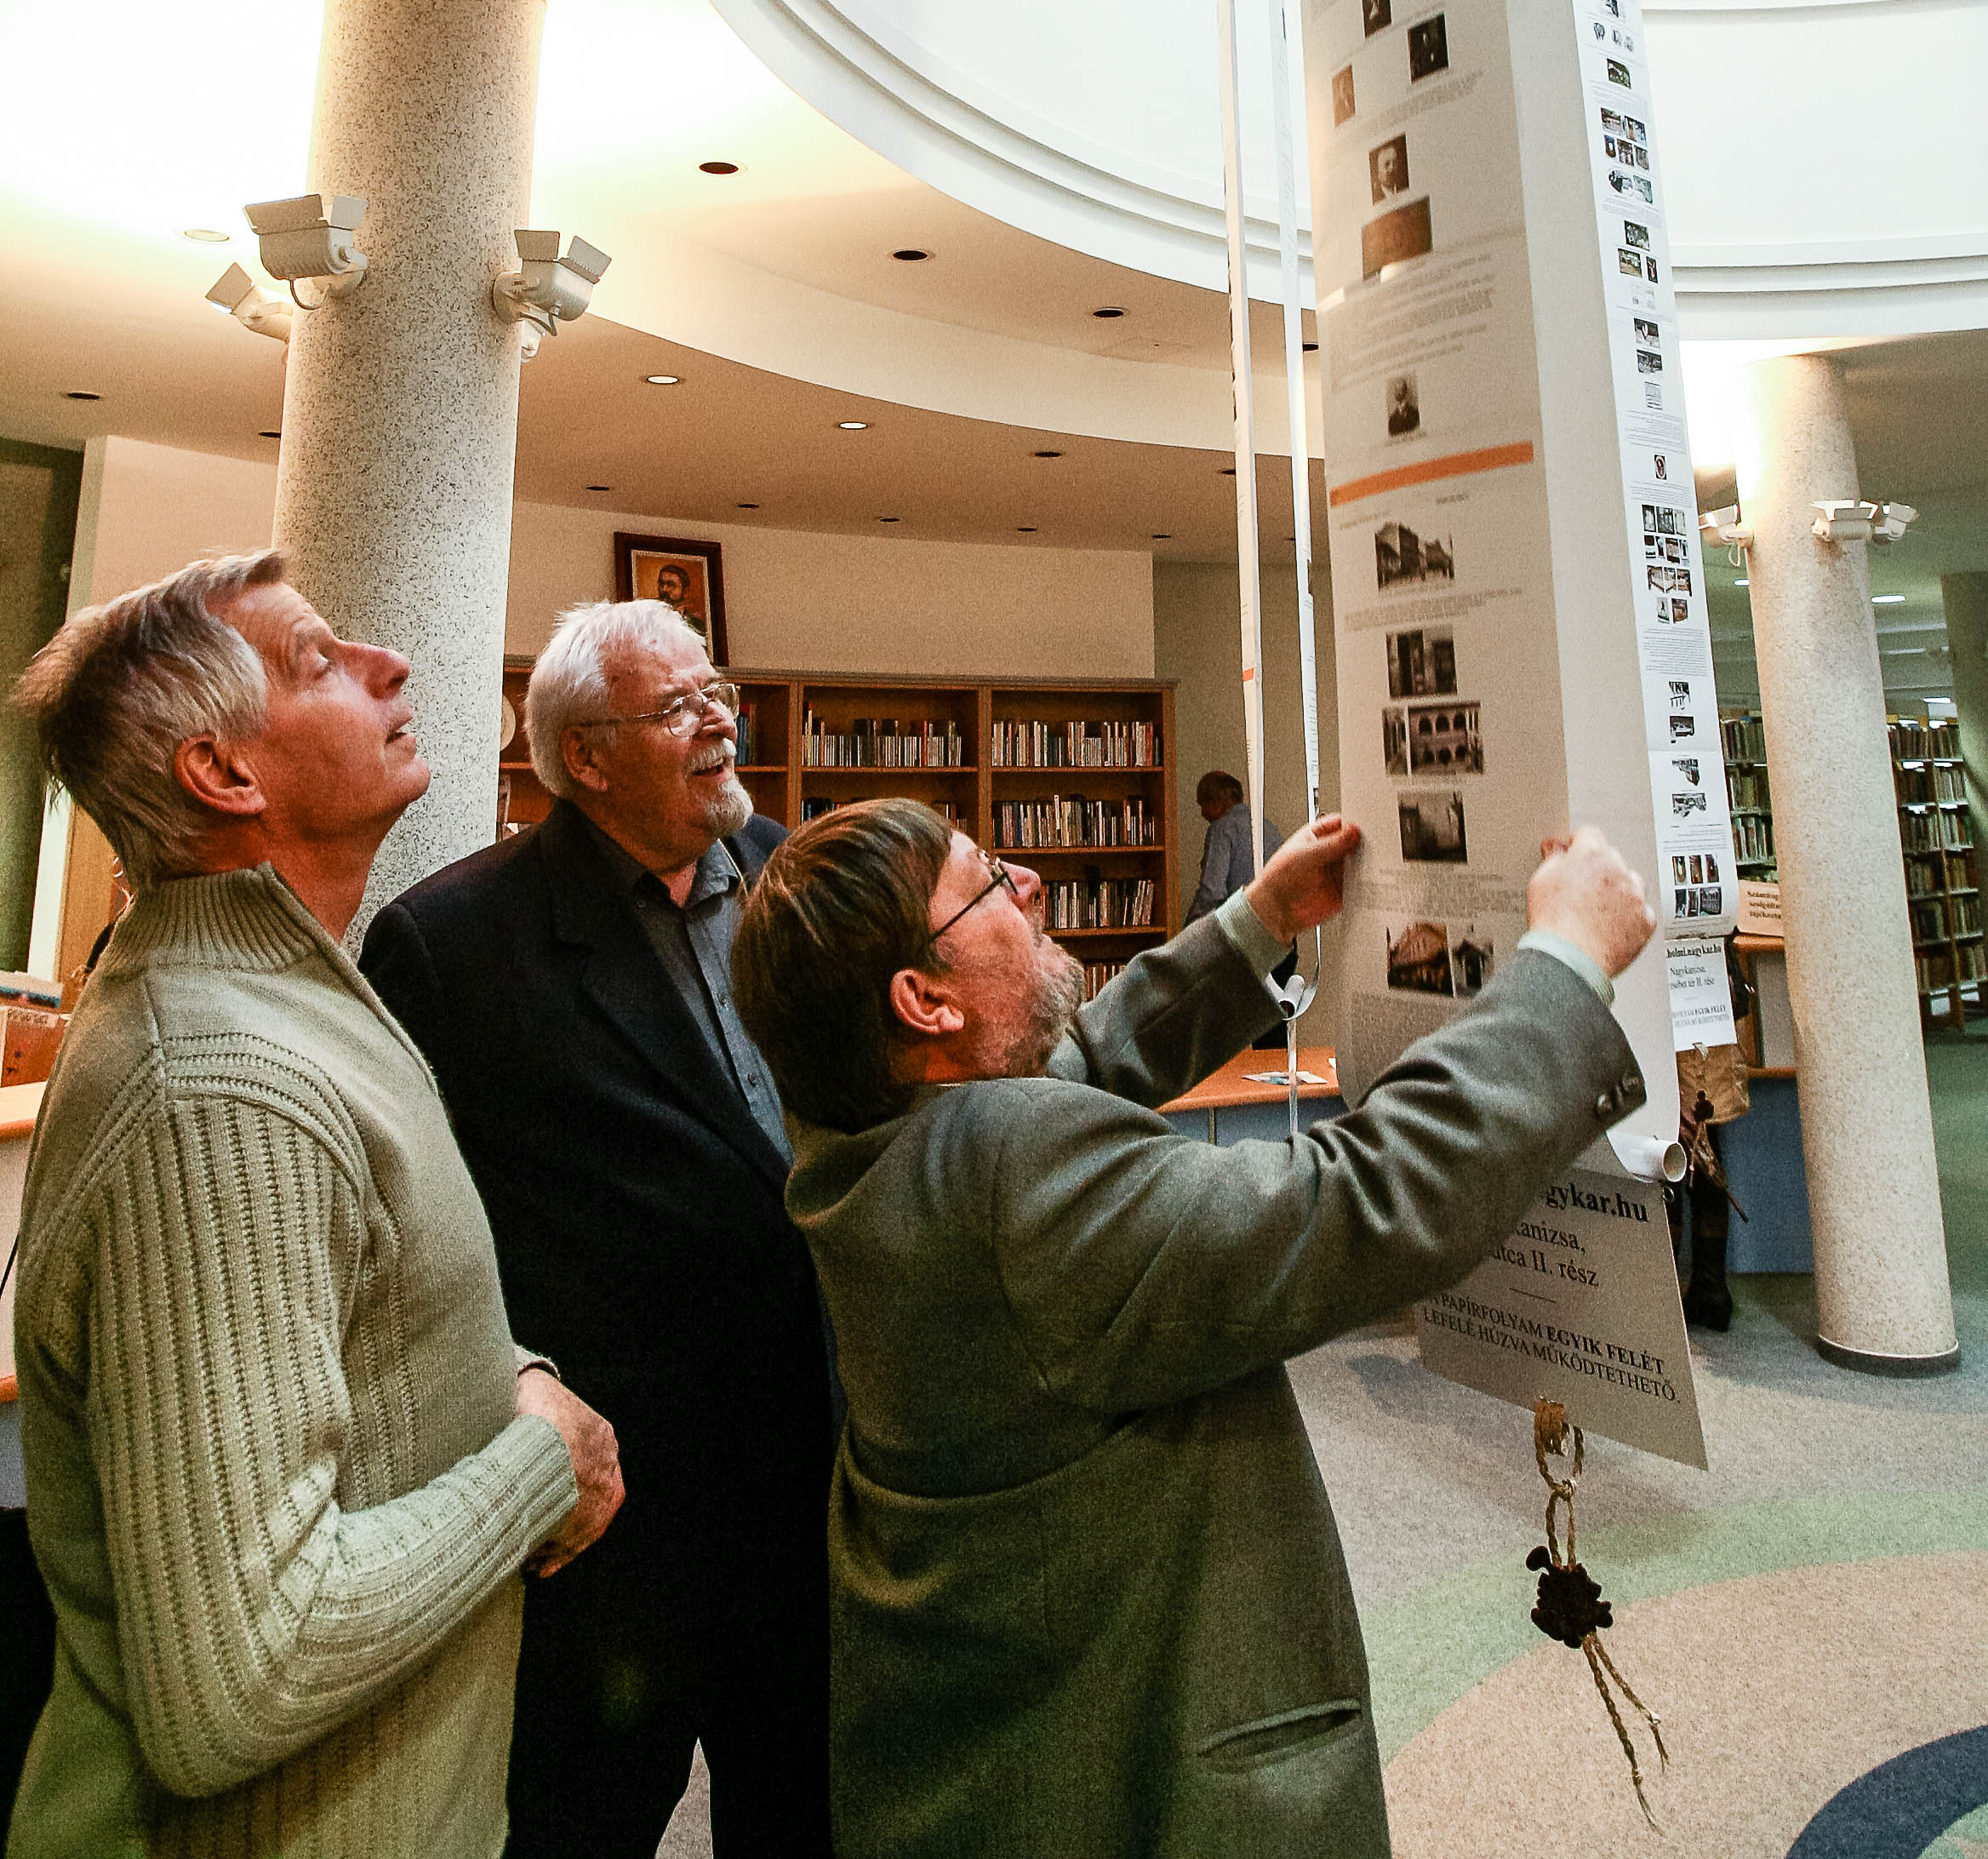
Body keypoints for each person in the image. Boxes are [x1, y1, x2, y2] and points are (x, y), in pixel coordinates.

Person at [731, 797, 1654, 1859]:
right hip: (1133, 1781)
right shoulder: (1007, 1179)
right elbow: (1363, 1202)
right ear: (924, 1000)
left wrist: (1260, 918)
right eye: (986, 883)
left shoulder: (863, 1132)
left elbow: (1075, 1064)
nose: (1027, 884)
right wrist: (1563, 966)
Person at [7, 553, 623, 1859]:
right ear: (223, 772)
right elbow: (246, 1675)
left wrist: (506, 1372)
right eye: (318, 661)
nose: (389, 664)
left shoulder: (286, 996)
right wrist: (539, 1466)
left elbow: (356, 1308)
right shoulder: (218, 1088)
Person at [359, 600, 834, 1859]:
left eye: (716, 689)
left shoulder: (796, 873)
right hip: (619, 1508)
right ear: (587, 757)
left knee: (813, 1812)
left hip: (822, 1468)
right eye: (678, 707)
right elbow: (406, 1232)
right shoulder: (455, 939)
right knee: (583, 1824)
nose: (720, 720)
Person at [1183, 767, 1281, 920]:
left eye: (1202, 805)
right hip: (1276, 922)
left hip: (1241, 923)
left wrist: (1190, 926)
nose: (1202, 814)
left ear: (1213, 802)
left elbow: (1212, 892)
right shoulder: (1269, 827)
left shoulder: (1221, 829)